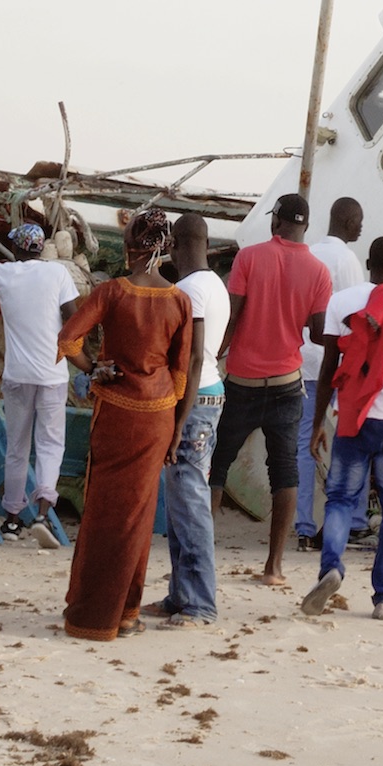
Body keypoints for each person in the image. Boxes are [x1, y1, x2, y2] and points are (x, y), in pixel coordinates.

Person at [53, 207, 201, 642]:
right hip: (157, 418)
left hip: (116, 413)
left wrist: (94, 369)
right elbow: (180, 373)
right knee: (138, 517)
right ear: (166, 248)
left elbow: (67, 341)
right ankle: (128, 614)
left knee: (102, 513)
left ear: (131, 247)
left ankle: (90, 617)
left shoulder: (112, 292)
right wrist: (173, 428)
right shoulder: (179, 300)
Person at [300, 236, 383, 620]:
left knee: (340, 499)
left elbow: (328, 369)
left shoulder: (341, 301)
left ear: (368, 262)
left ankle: (331, 570)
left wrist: (319, 421)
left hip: (352, 418)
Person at [209, 192, 333, 591]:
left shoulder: (249, 257)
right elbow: (317, 332)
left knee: (218, 465)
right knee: (285, 473)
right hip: (286, 385)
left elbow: (233, 315)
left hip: (242, 382)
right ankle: (273, 567)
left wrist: (213, 353)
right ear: (306, 227)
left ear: (275, 220)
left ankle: (203, 556)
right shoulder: (319, 271)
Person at [149, 212, 230, 626]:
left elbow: (194, 356)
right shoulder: (215, 284)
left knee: (191, 501)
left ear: (175, 245)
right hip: (209, 394)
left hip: (194, 401)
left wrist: (178, 419)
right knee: (181, 502)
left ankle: (199, 603)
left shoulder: (189, 290)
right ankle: (180, 595)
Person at [0, 222, 76, 547]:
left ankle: (12, 521)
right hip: (53, 375)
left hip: (18, 377)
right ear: (41, 248)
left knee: (17, 449)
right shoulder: (58, 274)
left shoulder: (2, 274)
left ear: (16, 249)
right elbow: (73, 316)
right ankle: (43, 513)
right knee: (50, 445)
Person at [295, 196, 364, 550]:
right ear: (349, 222)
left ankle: (303, 525)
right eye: (360, 222)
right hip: (332, 359)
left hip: (301, 358)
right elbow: (353, 316)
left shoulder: (308, 253)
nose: (362, 228)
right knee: (349, 439)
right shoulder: (346, 260)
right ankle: (353, 521)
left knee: (305, 442)